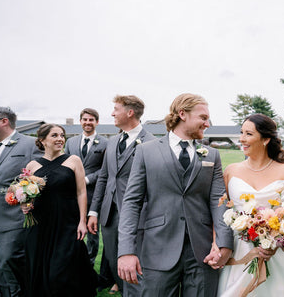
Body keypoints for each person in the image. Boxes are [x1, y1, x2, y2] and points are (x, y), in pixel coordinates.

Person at [117, 93, 233, 297]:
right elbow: (131, 202)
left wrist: (224, 243)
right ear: (182, 114)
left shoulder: (211, 155)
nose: (207, 124)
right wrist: (126, 250)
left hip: (203, 252)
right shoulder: (146, 151)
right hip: (157, 248)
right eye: (203, 118)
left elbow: (218, 200)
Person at [217, 113, 284, 296]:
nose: (241, 139)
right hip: (239, 249)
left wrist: (272, 243)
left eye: (248, 134)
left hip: (277, 253)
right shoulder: (231, 171)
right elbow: (220, 211)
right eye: (241, 132)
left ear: (265, 139)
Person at [87, 95, 155, 296]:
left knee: (137, 265)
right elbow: (104, 178)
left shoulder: (151, 143)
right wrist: (94, 211)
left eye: (116, 109)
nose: (112, 113)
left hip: (138, 215)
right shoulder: (112, 141)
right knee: (114, 259)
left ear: (130, 112)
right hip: (109, 214)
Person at [21, 124, 96, 296]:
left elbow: (81, 191)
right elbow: (24, 192)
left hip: (67, 223)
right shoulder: (32, 165)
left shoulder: (74, 160)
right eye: (54, 135)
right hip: (40, 224)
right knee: (39, 266)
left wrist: (82, 221)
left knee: (62, 270)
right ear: (42, 140)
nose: (60, 139)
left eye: (62, 135)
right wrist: (24, 204)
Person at [0, 106, 41, 296]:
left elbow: (43, 176)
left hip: (14, 217)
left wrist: (29, 197)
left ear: (4, 121)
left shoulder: (31, 144)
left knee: (10, 260)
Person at [64, 108, 108, 266]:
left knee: (92, 236)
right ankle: (73, 265)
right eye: (85, 119)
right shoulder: (71, 142)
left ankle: (88, 266)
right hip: (71, 196)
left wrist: (87, 180)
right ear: (80, 121)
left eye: (91, 120)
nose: (88, 122)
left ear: (97, 122)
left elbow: (105, 169)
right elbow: (66, 164)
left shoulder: (105, 143)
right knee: (72, 232)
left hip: (93, 195)